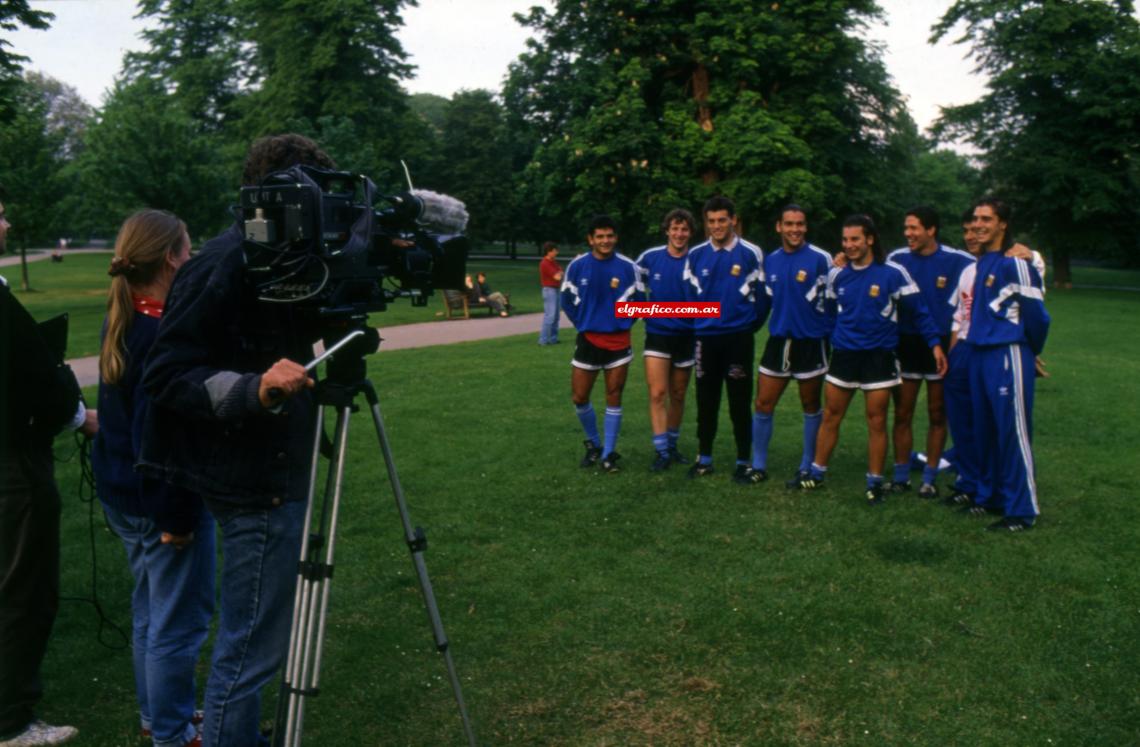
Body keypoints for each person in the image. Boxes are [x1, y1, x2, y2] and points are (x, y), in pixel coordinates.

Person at [138, 134, 329, 747]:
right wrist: (257, 390)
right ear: (276, 197)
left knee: (252, 648)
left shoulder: (284, 261)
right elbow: (165, 377)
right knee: (248, 653)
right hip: (254, 486)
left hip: (272, 475)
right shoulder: (223, 263)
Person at [91, 210, 213, 747]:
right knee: (177, 622)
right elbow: (157, 439)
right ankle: (171, 732)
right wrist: (177, 518)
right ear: (170, 256)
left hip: (125, 494)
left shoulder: (127, 317)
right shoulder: (159, 332)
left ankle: (158, 716)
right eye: (187, 250)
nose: (191, 258)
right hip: (154, 500)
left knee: (150, 613)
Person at [1, 200, 97, 747]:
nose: (9, 224)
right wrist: (80, 416)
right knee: (23, 587)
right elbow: (35, 376)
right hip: (13, 461)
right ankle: (11, 721)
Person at [794, 214, 946, 505]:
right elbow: (827, 313)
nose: (849, 245)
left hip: (879, 357)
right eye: (845, 240)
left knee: (876, 421)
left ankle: (874, 481)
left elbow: (920, 311)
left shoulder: (893, 272)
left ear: (870, 239)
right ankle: (816, 472)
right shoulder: (837, 273)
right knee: (830, 416)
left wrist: (935, 345)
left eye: (855, 239)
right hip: (844, 356)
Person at [966, 197, 1050, 532]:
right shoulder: (984, 262)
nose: (978, 225)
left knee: (1012, 431)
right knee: (985, 430)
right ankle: (993, 496)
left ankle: (1022, 510)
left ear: (1002, 223)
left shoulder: (1015, 263)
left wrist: (1029, 351)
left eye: (986, 218)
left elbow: (1038, 317)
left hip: (1007, 352)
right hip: (980, 353)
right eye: (976, 219)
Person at [885, 206, 975, 498]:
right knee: (903, 412)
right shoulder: (896, 259)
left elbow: (988, 266)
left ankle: (929, 478)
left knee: (938, 413)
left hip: (941, 345)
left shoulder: (959, 260)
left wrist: (1018, 253)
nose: (908, 233)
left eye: (914, 228)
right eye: (906, 228)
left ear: (931, 230)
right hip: (906, 343)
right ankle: (900, 476)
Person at [683, 195, 769, 483]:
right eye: (711, 221)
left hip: (738, 340)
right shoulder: (695, 255)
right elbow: (689, 298)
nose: (717, 226)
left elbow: (762, 299)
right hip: (705, 340)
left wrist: (744, 327)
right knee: (706, 400)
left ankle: (744, 460)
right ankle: (704, 458)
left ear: (733, 220)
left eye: (722, 220)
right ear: (706, 224)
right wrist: (705, 321)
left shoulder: (750, 252)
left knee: (739, 401)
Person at [749, 205, 833, 486]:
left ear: (805, 227)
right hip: (778, 341)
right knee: (762, 403)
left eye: (799, 224)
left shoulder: (822, 259)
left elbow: (837, 299)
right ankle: (758, 465)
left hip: (811, 342)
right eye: (789, 224)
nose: (794, 229)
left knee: (810, 404)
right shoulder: (770, 261)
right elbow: (762, 304)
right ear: (779, 227)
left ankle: (807, 465)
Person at [561, 215, 642, 473]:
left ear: (615, 238)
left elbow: (640, 301)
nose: (605, 241)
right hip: (587, 340)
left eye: (609, 236)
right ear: (591, 239)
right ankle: (594, 444)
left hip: (618, 342)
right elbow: (566, 298)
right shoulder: (577, 266)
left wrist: (622, 322)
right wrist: (583, 321)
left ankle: (608, 452)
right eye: (600, 236)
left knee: (614, 396)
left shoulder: (628, 267)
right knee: (579, 396)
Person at [635, 208, 697, 471]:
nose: (679, 234)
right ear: (667, 231)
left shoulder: (698, 259)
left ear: (690, 233)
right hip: (658, 336)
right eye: (675, 228)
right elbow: (632, 282)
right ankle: (661, 451)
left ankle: (672, 445)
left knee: (679, 394)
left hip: (687, 336)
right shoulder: (650, 258)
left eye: (684, 229)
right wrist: (645, 311)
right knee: (658, 393)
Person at [538, 241, 563, 345]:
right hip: (549, 290)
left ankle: (553, 339)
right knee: (550, 316)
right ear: (549, 252)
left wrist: (559, 274)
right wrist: (559, 274)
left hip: (556, 289)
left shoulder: (553, 262)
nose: (556, 252)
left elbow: (561, 272)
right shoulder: (545, 263)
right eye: (555, 251)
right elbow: (558, 276)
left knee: (556, 316)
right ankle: (543, 340)